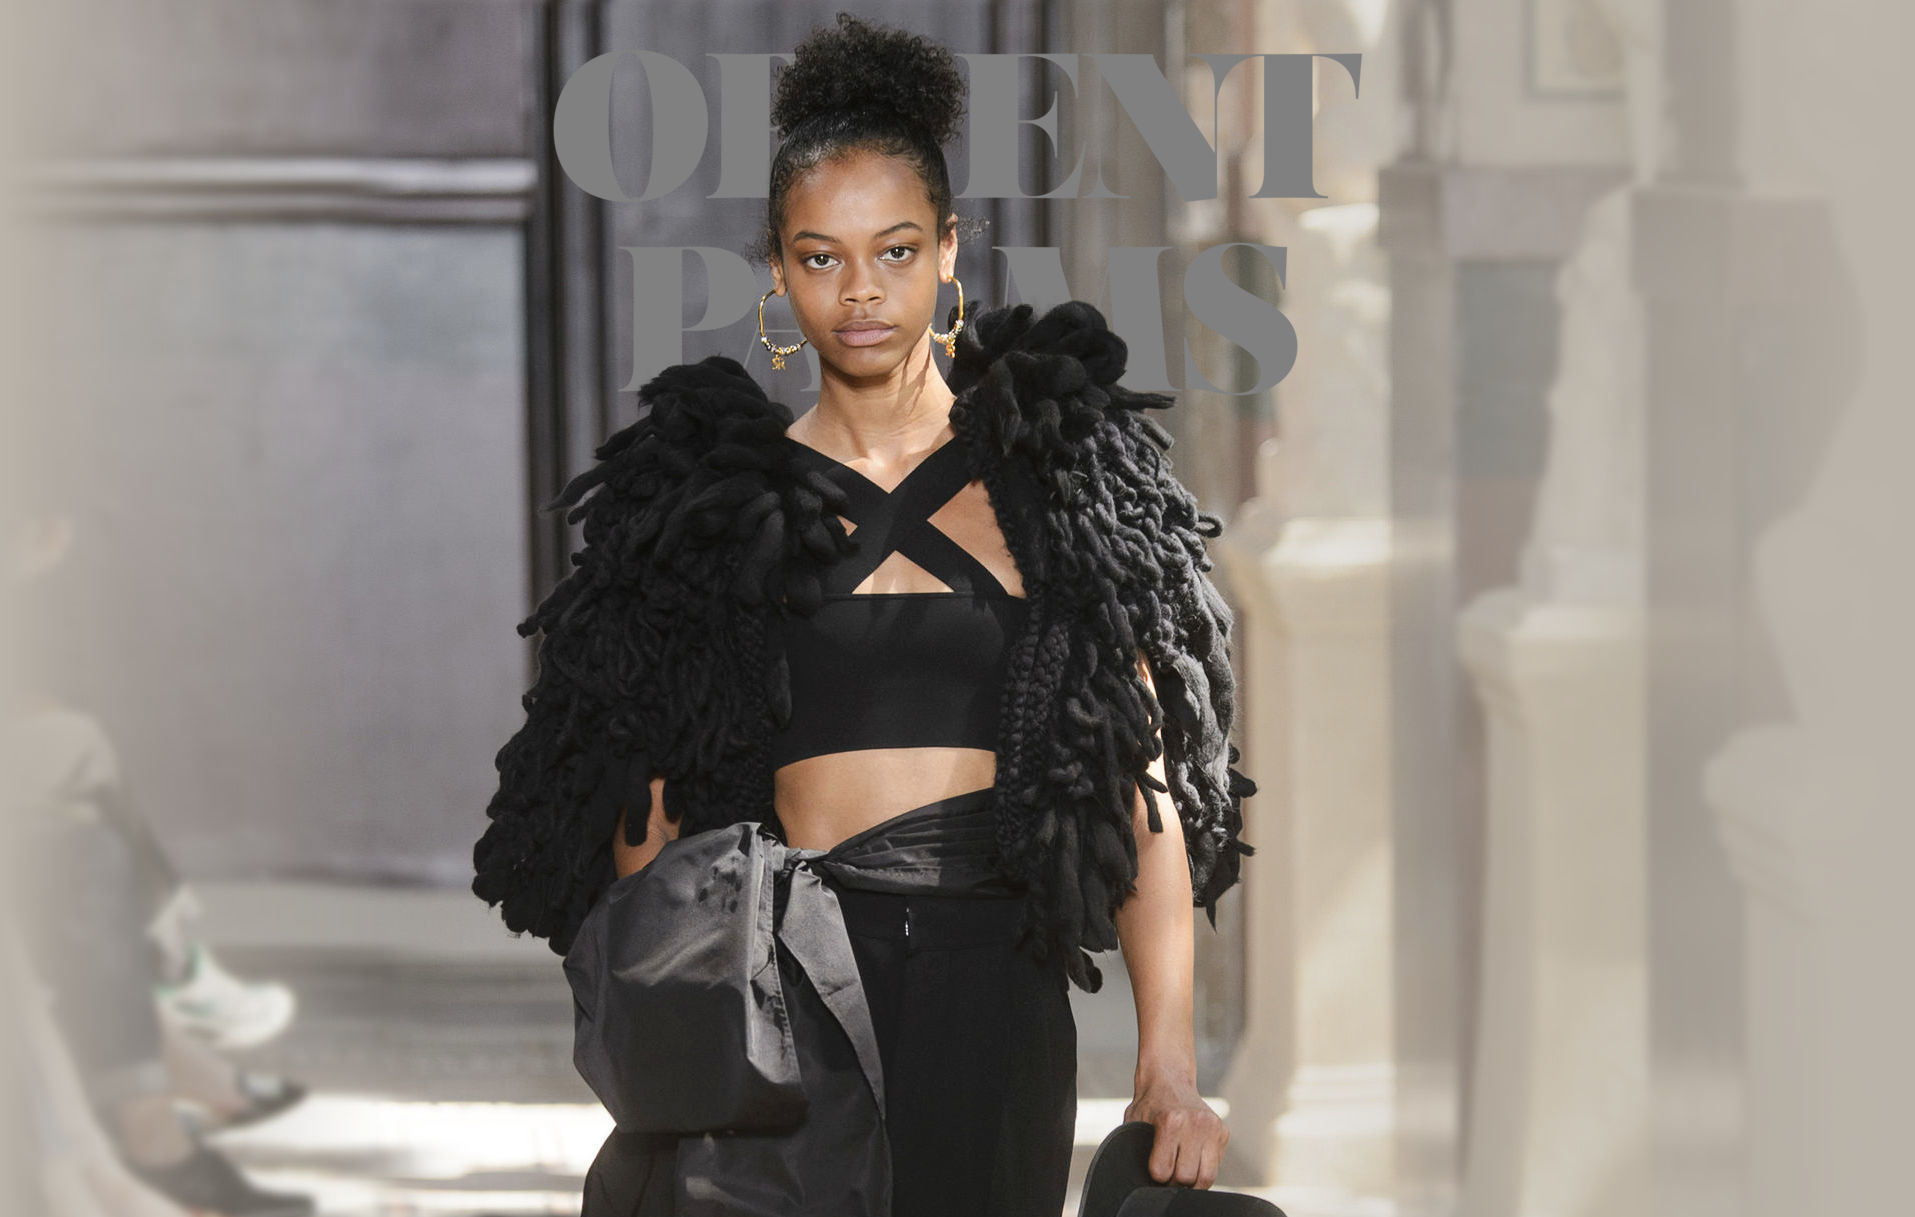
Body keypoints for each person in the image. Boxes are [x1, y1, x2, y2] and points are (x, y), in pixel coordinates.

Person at [472, 13, 1257, 1216]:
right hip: (785, 996)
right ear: (775, 270)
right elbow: (650, 802)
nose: (860, 292)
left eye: (893, 251)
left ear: (949, 249)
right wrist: (672, 1033)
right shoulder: (714, 507)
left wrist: (1168, 1068)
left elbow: (1136, 782)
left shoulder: (1056, 484)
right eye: (820, 256)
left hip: (995, 999)